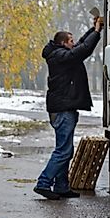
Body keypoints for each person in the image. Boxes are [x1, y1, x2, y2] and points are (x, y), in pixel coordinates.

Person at [34, 15, 103, 200]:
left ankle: (61, 186)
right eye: (71, 41)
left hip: (64, 108)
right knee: (63, 151)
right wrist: (96, 33)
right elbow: (83, 50)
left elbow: (81, 44)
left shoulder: (61, 53)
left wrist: (94, 29)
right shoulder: (60, 56)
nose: (74, 43)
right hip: (62, 110)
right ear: (64, 43)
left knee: (65, 149)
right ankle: (43, 183)